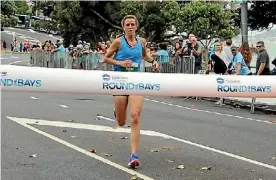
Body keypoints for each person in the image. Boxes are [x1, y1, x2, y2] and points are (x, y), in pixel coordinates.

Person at [104, 15, 159, 168]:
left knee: (135, 117)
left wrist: (153, 61)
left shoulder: (141, 42)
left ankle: (134, 155)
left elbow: (145, 55)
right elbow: (106, 58)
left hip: (136, 82)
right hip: (120, 83)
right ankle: (117, 111)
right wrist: (120, 62)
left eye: (132, 24)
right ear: (123, 27)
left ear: (136, 27)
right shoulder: (118, 42)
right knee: (121, 122)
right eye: (127, 24)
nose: (130, 26)